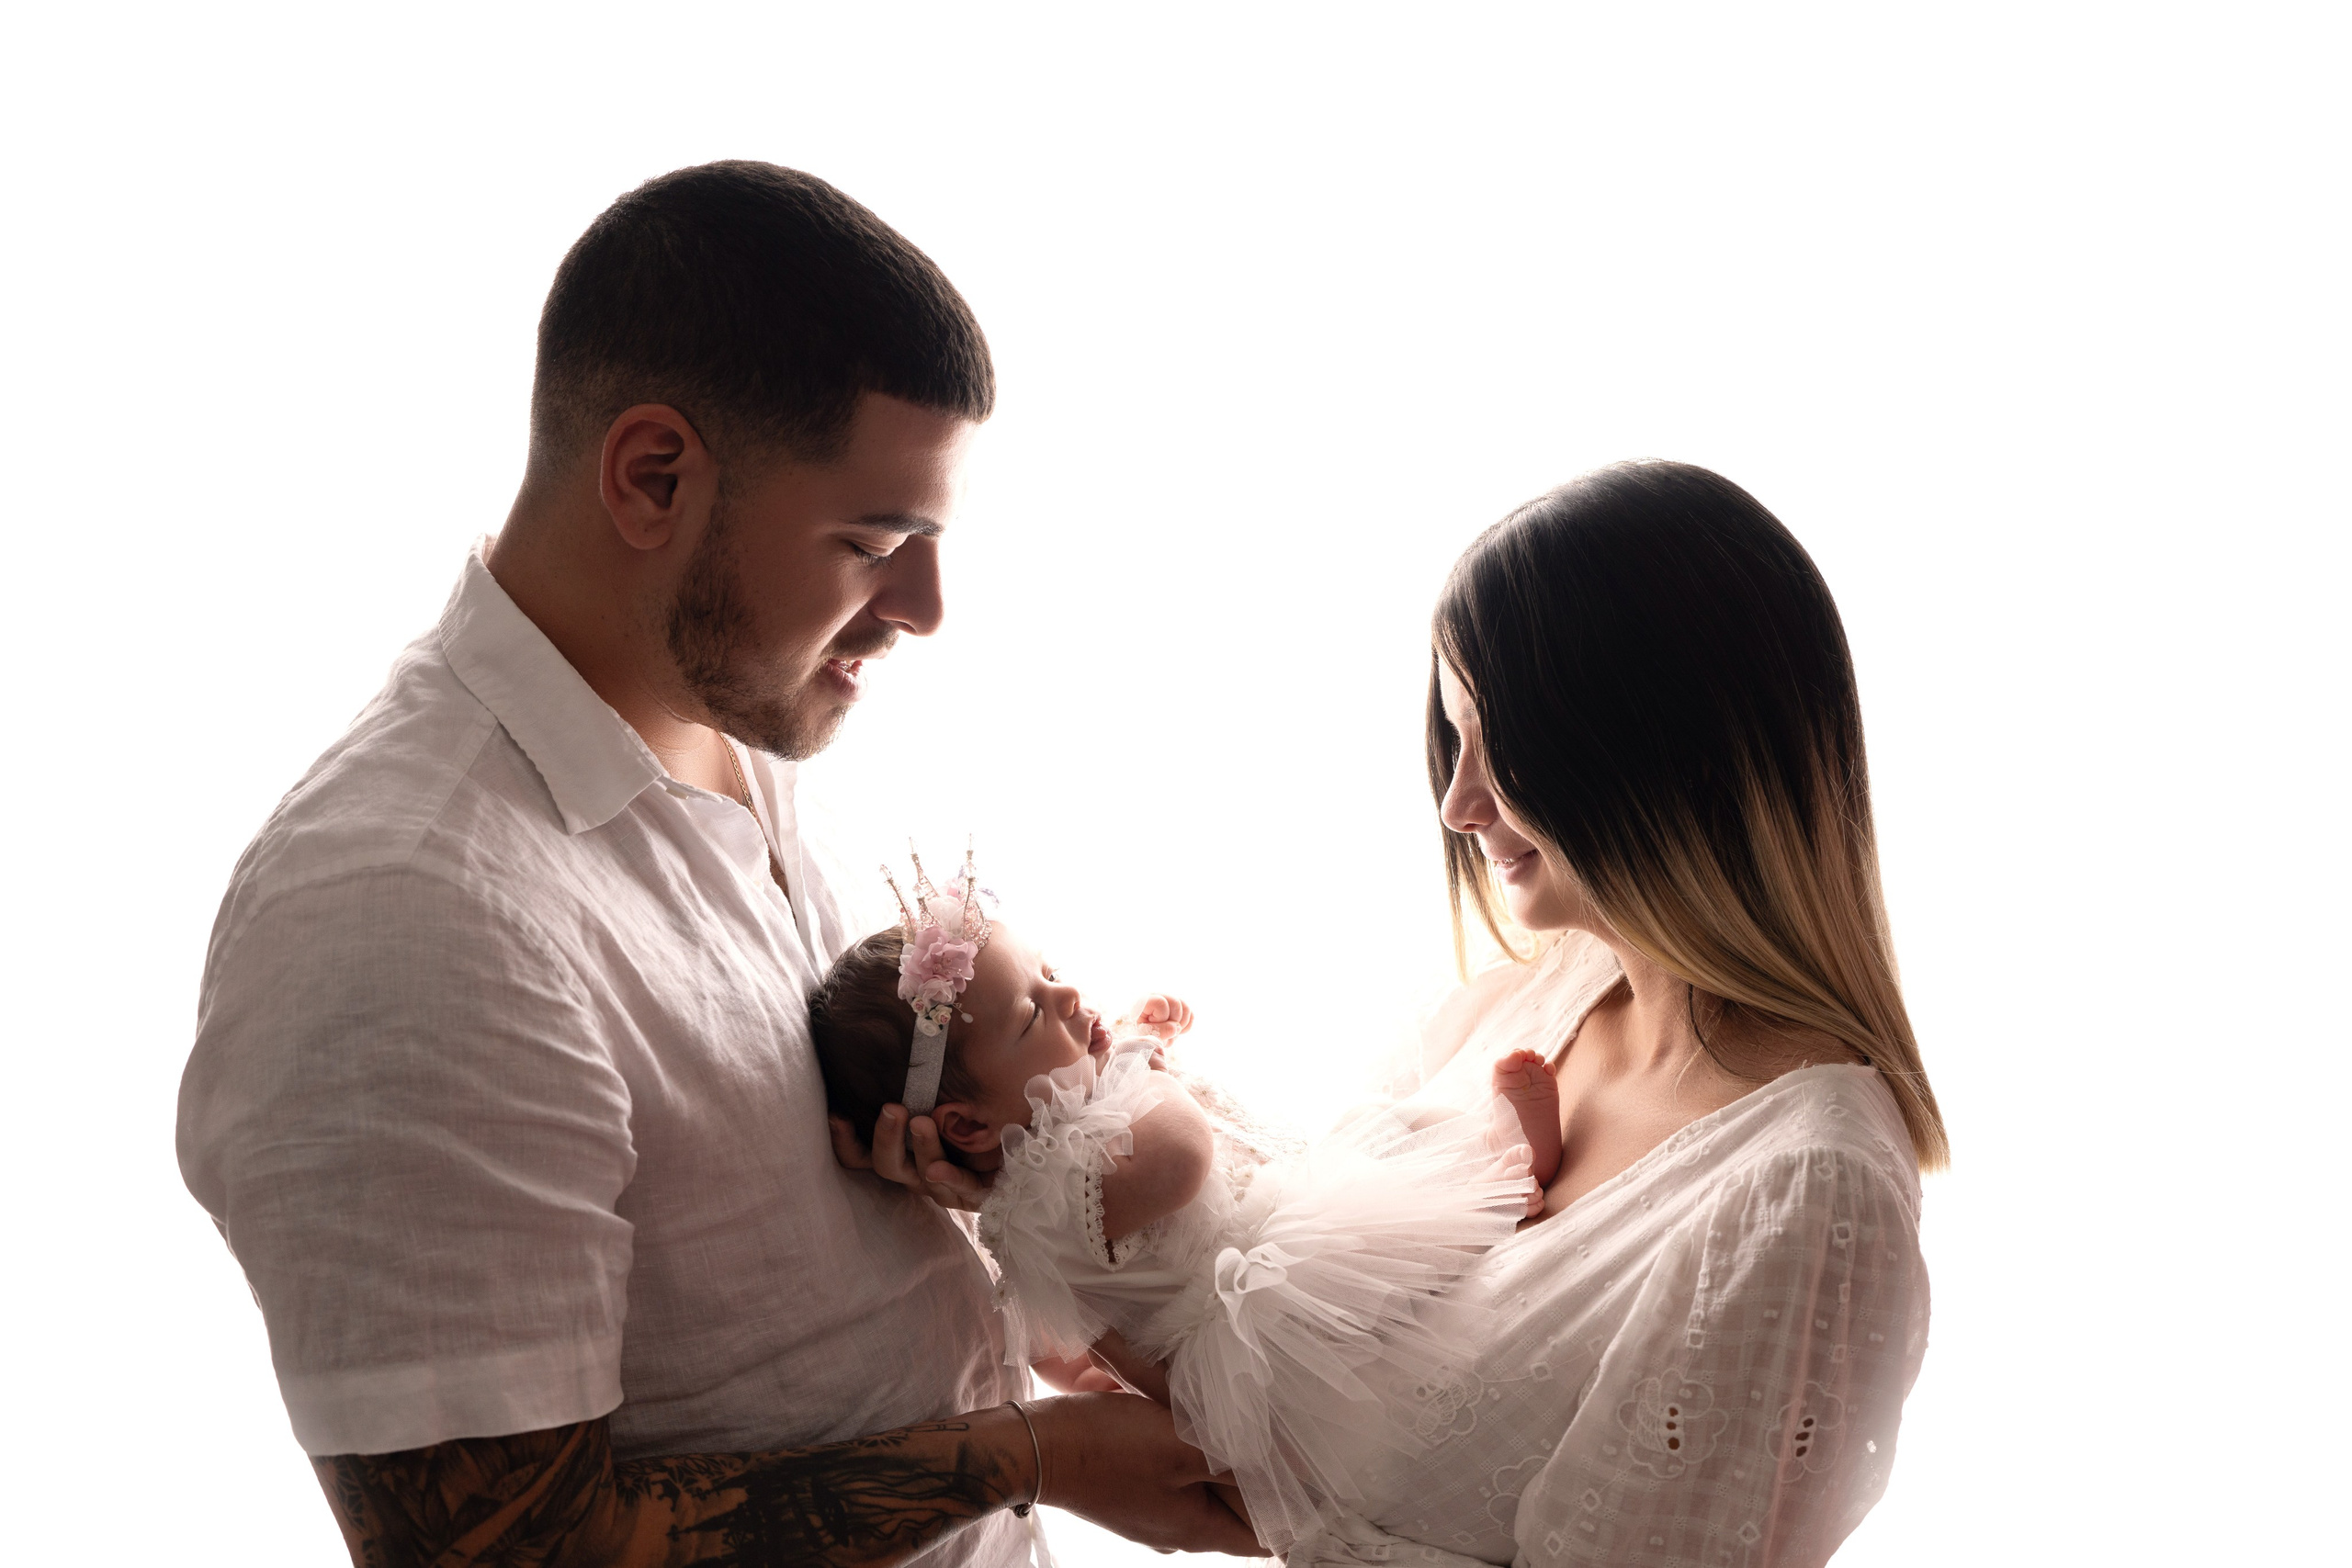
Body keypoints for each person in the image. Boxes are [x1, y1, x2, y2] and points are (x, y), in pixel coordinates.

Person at [175, 161, 1255, 1566]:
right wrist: (1032, 1454)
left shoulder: (739, 724)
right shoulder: (401, 919)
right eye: (874, 541)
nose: (925, 606)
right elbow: (513, 1552)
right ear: (653, 476)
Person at [1279, 459, 1942, 1564]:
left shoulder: (1806, 1191)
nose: (1458, 802)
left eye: (1500, 742)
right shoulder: (1531, 998)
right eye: (1454, 738)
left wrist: (1115, 1473)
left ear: (1661, 745)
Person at [808, 853, 1557, 1555]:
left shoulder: (1021, 1215)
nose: (1069, 996)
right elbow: (1182, 1158)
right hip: (1275, 1304)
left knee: (1377, 1130)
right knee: (1385, 1161)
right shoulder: (1055, 1194)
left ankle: (1491, 1161)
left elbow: (1068, 1349)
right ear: (968, 1126)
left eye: (1052, 974)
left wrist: (1119, 1382)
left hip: (1253, 1327)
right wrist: (1140, 1063)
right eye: (1034, 1013)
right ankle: (1501, 1173)